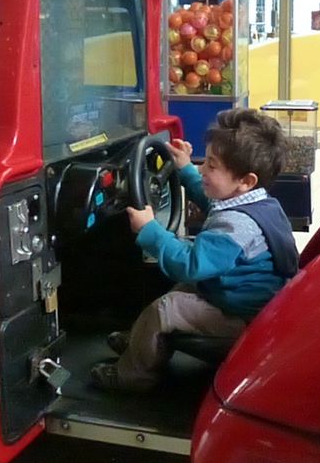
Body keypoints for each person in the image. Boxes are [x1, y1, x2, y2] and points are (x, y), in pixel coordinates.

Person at [91, 108, 299, 392]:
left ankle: (132, 376)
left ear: (246, 180)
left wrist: (150, 231)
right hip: (240, 297)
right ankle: (144, 341)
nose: (204, 170)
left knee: (165, 308)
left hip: (242, 319)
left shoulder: (236, 226)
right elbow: (211, 199)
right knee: (183, 289)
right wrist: (184, 167)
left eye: (211, 166)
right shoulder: (254, 201)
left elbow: (189, 263)